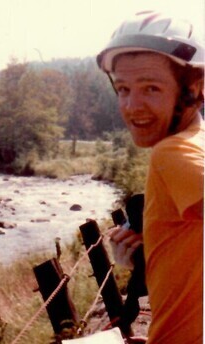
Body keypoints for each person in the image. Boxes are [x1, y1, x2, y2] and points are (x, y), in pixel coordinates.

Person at [96, 11, 204, 344]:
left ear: (193, 90)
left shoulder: (171, 153)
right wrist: (157, 248)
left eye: (151, 88)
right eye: (124, 89)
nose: (132, 105)